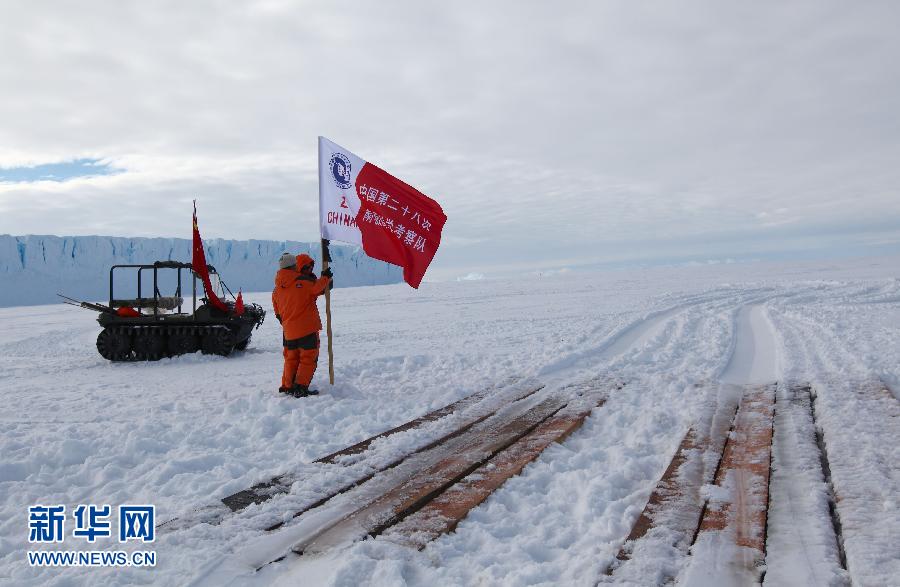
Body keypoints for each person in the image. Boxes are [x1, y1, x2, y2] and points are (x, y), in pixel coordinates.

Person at [272, 252, 333, 397]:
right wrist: (326, 276)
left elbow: (277, 312)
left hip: (288, 332)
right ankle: (300, 387)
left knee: (291, 358)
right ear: (294, 266)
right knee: (308, 358)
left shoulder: (276, 289)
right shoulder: (303, 282)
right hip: (307, 329)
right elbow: (318, 288)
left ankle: (287, 386)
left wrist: (288, 324)